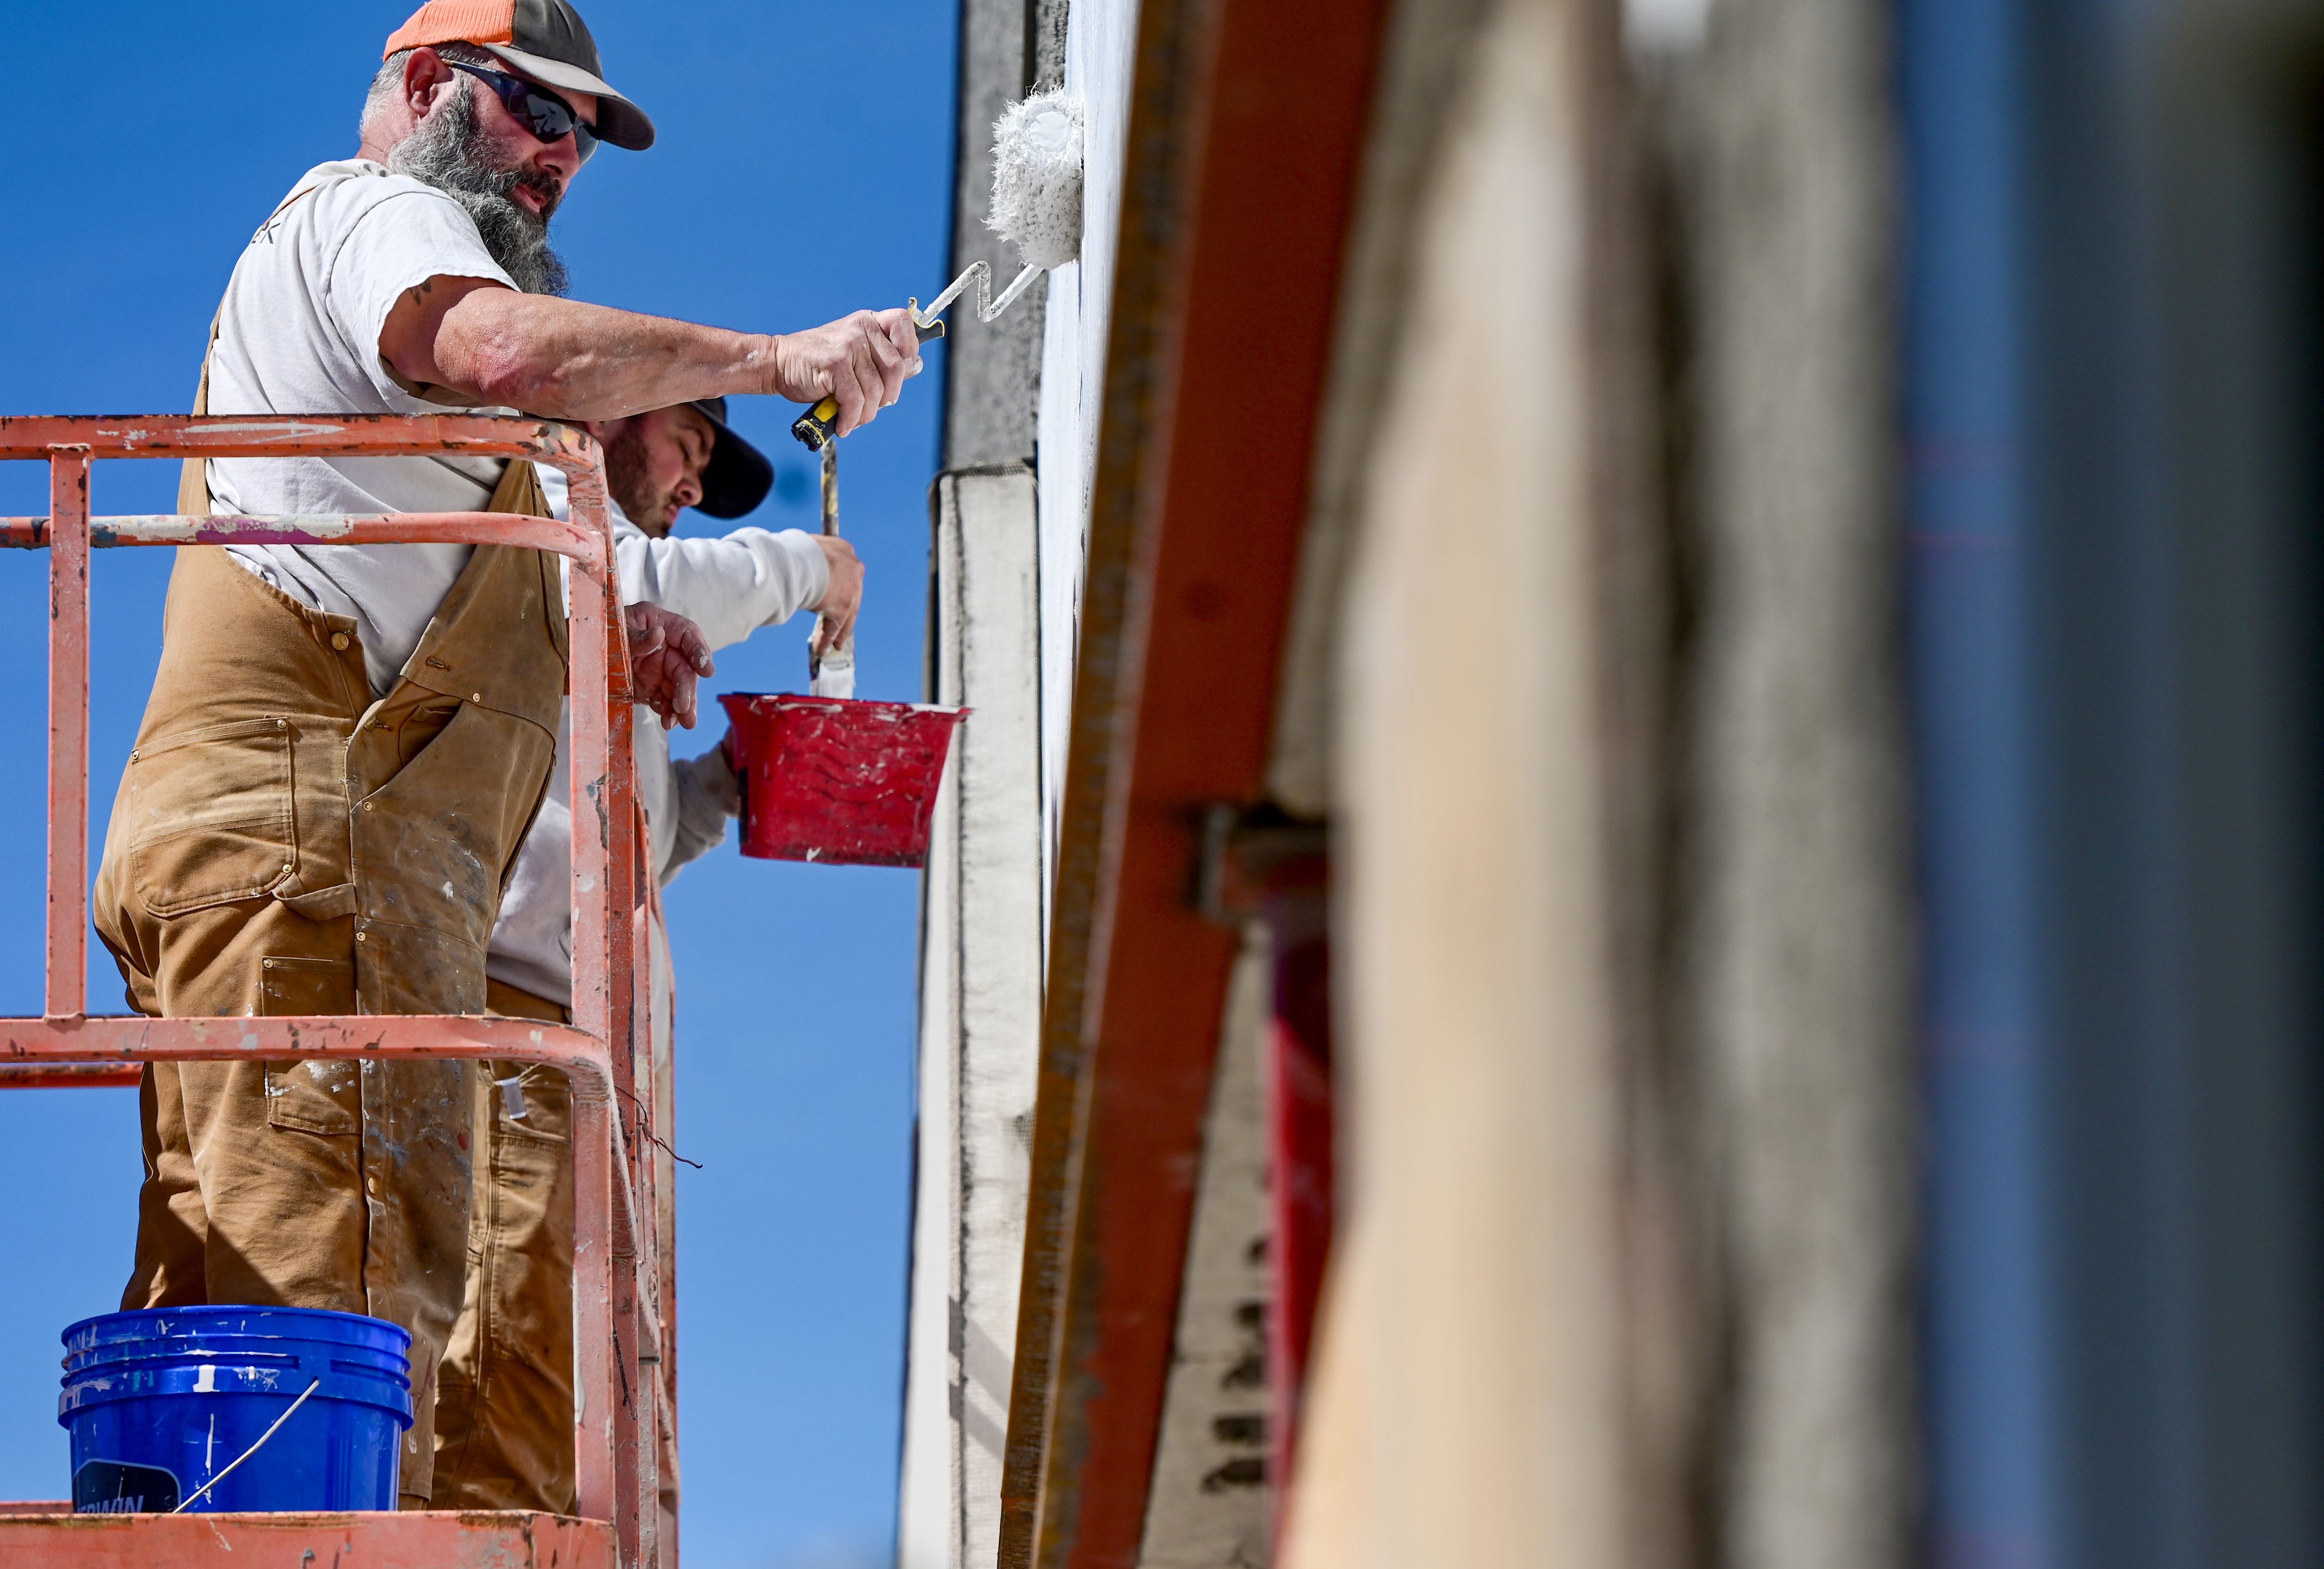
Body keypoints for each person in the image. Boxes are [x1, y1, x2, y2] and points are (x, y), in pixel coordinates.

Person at [90, 0, 920, 1509]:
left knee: (260, 1304)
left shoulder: (445, 430)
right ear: (423, 84)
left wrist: (600, 645)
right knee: (321, 1325)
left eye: (584, 138)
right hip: (312, 856)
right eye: (537, 112)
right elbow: (496, 345)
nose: (561, 160)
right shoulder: (373, 212)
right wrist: (778, 356)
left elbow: (410, 560)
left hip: (307, 860)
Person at [434, 396, 859, 1514]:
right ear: (617, 411)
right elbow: (661, 583)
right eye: (689, 443)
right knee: (503, 1348)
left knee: (542, 1354)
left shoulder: (616, 599)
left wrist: (726, 780)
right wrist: (814, 567)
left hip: (567, 1026)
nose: (688, 480)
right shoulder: (558, 518)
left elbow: (628, 840)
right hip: (508, 1010)